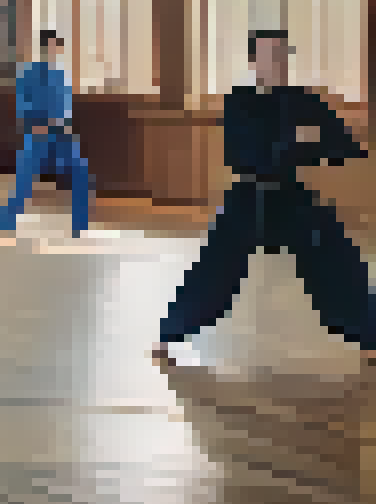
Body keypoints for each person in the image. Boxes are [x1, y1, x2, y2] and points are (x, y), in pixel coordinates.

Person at [155, 30, 372, 365]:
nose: (278, 64)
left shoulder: (303, 99)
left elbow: (343, 145)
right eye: (271, 56)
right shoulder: (238, 101)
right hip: (249, 196)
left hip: (289, 195)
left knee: (337, 251)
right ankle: (169, 334)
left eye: (283, 56)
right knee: (213, 268)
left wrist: (300, 144)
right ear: (254, 61)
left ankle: (369, 333)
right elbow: (244, 157)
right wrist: (294, 141)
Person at [0, 29, 90, 241]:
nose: (55, 50)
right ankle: (6, 220)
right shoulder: (29, 73)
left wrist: (67, 126)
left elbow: (66, 105)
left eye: (57, 46)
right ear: (44, 48)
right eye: (52, 46)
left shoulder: (62, 74)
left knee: (80, 171)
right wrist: (35, 124)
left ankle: (80, 224)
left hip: (62, 135)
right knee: (25, 180)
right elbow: (22, 104)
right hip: (37, 135)